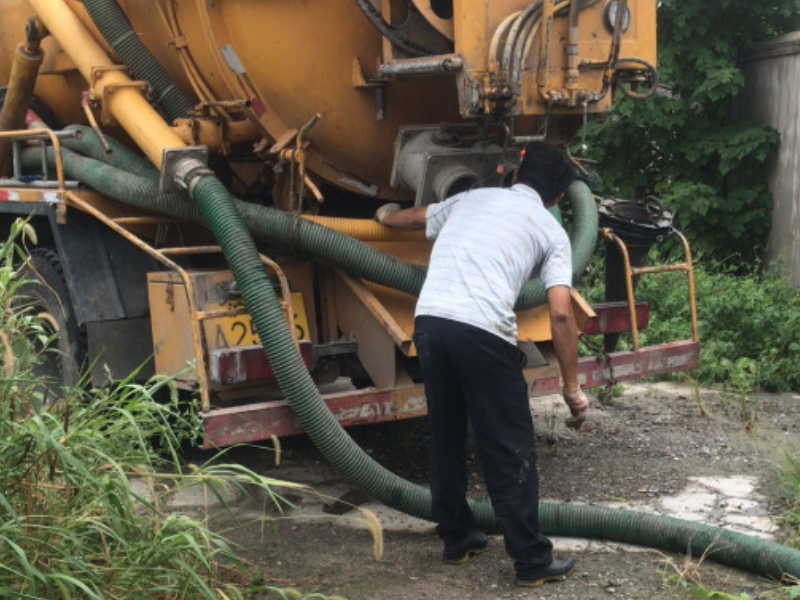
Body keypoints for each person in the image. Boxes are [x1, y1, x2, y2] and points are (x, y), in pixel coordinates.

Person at [374, 142, 589, 587]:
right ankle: (531, 561)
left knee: (447, 434)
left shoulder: (473, 198)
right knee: (508, 445)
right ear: (556, 198)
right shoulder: (550, 232)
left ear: (515, 175)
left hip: (430, 323)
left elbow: (414, 218)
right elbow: (562, 313)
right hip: (482, 332)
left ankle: (458, 538)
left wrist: (382, 218)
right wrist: (572, 386)